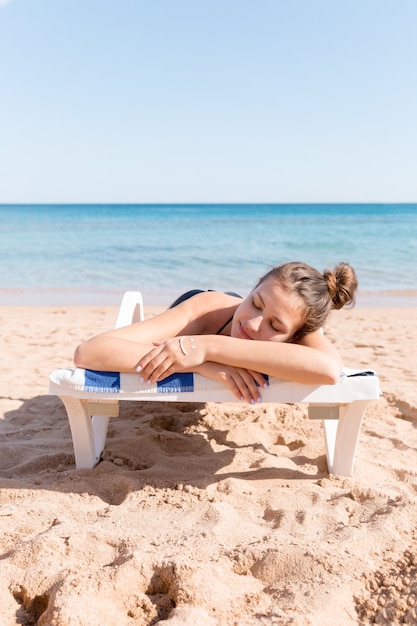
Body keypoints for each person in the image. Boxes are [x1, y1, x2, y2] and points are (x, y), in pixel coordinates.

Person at [74, 261, 358, 404]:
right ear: (252, 289)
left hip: (209, 338)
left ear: (295, 337)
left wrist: (209, 348)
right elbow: (89, 352)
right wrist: (205, 363)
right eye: (256, 303)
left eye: (275, 326)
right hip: (208, 314)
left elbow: (330, 370)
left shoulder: (299, 325)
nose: (254, 323)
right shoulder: (203, 312)